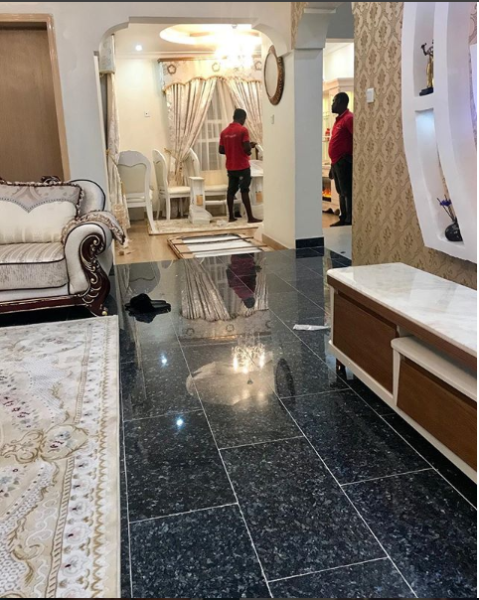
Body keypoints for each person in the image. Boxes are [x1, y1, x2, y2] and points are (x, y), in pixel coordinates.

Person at [219, 108, 262, 224]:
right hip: (242, 166)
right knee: (244, 190)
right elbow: (246, 148)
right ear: (242, 118)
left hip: (231, 166)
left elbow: (221, 150)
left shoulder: (224, 132)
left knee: (231, 191)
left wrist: (232, 149)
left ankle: (231, 217)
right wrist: (249, 147)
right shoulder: (243, 130)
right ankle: (250, 218)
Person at [329, 92, 354, 227]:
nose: (332, 104)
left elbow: (357, 138)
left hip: (344, 161)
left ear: (341, 103)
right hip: (336, 161)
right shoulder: (339, 120)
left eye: (334, 101)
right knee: (340, 191)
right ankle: (343, 217)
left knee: (346, 191)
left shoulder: (349, 118)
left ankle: (349, 219)